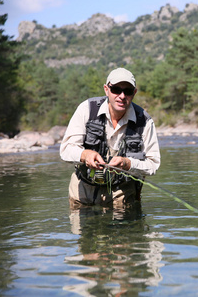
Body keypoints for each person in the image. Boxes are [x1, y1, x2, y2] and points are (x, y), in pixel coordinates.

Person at [60, 67, 161, 208]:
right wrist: (85, 154)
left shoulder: (145, 121)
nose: (122, 95)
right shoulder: (86, 109)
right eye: (116, 90)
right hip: (82, 192)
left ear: (134, 93)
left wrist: (128, 163)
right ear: (106, 89)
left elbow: (153, 164)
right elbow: (65, 150)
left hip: (122, 194)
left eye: (128, 91)